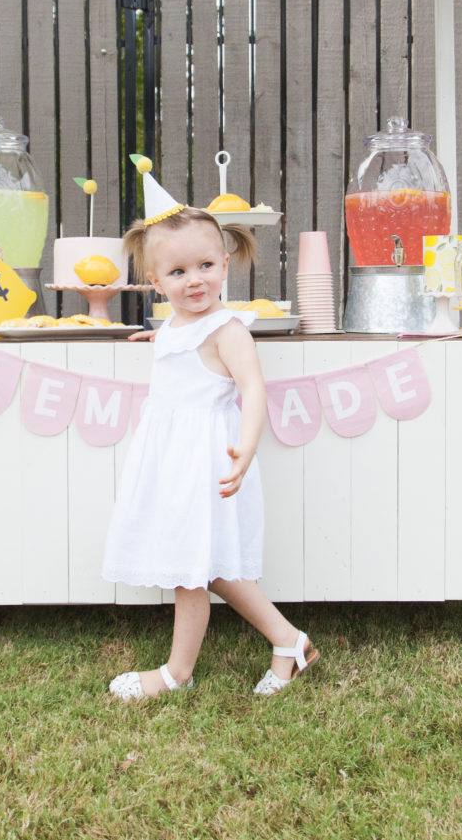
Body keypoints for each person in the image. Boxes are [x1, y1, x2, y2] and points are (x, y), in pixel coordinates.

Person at [102, 163, 318, 700]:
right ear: (155, 282)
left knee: (191, 572)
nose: (193, 280)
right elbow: (185, 354)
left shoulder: (228, 330)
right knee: (205, 566)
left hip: (207, 461)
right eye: (177, 273)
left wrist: (245, 448)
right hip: (172, 461)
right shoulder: (175, 325)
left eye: (204, 266)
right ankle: (289, 641)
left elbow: (252, 389)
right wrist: (158, 342)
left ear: (225, 263)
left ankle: (176, 673)